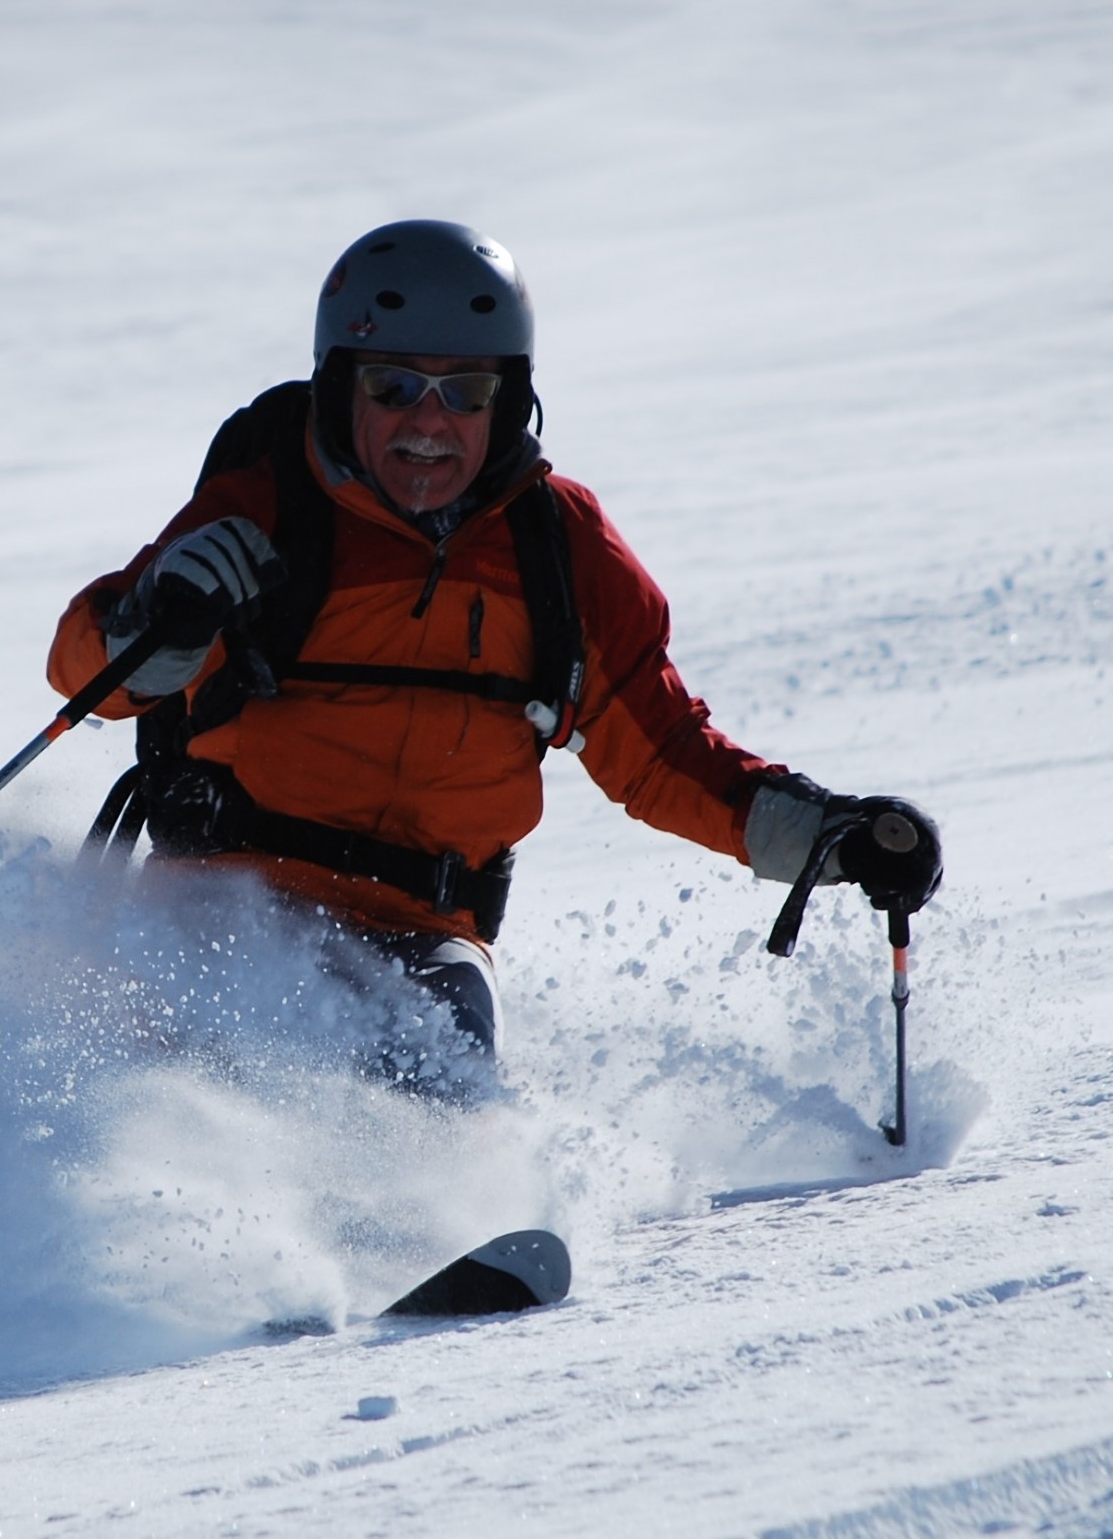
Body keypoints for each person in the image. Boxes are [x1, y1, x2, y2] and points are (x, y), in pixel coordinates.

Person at [47, 220, 940, 1085]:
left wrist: (830, 839)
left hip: (419, 936)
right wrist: (154, 620)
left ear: (507, 400)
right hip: (225, 900)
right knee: (200, 1070)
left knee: (441, 1072)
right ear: (340, 388)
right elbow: (85, 674)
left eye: (464, 392)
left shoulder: (558, 549)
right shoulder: (262, 513)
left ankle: (432, 1230)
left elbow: (660, 754)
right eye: (393, 388)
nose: (428, 422)